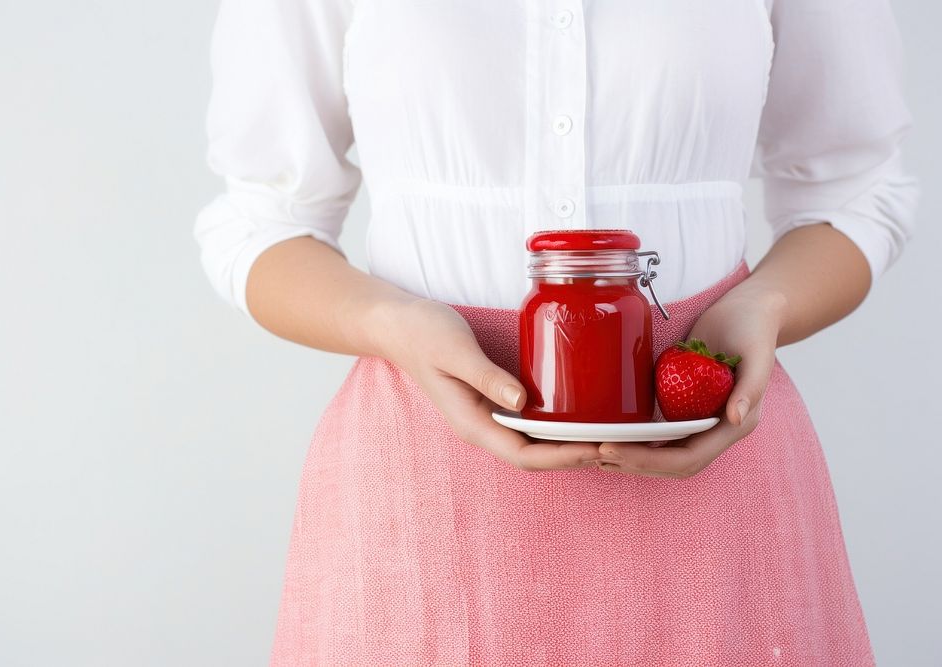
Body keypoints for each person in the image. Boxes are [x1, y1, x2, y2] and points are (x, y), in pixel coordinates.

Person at [194, 0, 918, 664]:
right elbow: (262, 220)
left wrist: (761, 307)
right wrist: (395, 323)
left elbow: (857, 189)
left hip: (711, 458)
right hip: (422, 482)